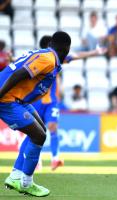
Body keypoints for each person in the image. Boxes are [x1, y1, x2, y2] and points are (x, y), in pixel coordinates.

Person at [0, 31, 71, 197]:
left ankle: (15, 176)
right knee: (38, 136)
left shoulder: (47, 56)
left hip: (19, 101)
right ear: (66, 49)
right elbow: (19, 74)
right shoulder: (48, 59)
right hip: (7, 99)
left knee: (41, 131)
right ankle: (26, 183)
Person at [32, 35, 106, 171]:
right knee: (36, 132)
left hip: (51, 102)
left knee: (53, 127)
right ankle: (37, 160)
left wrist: (95, 52)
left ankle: (55, 158)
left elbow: (77, 55)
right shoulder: (37, 59)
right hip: (36, 101)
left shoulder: (57, 58)